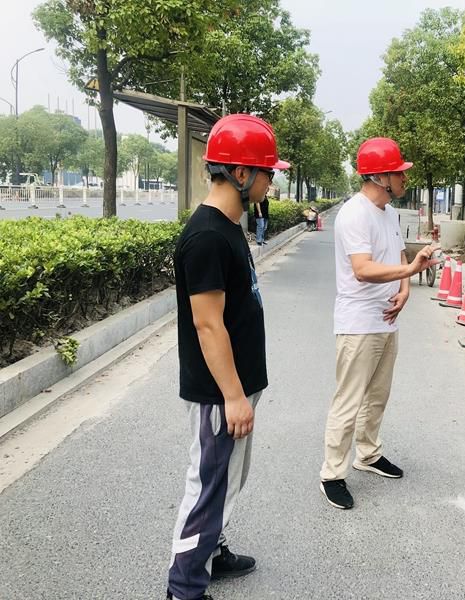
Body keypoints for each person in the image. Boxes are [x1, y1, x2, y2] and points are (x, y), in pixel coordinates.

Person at [167, 114, 290, 600]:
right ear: (241, 173)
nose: (271, 180)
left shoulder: (228, 226)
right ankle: (184, 587)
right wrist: (234, 396)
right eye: (267, 171)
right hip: (221, 392)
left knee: (226, 481)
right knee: (207, 485)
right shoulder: (207, 237)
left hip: (237, 386)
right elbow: (208, 324)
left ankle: (211, 552)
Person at [319, 137, 437, 510]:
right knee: (349, 400)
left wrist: (406, 288)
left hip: (386, 320)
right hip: (358, 322)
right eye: (399, 172)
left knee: (378, 395)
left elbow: (399, 254)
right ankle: (332, 474)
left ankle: (368, 454)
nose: (405, 178)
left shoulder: (387, 212)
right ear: (380, 176)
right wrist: (411, 270)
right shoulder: (355, 214)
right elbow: (363, 269)